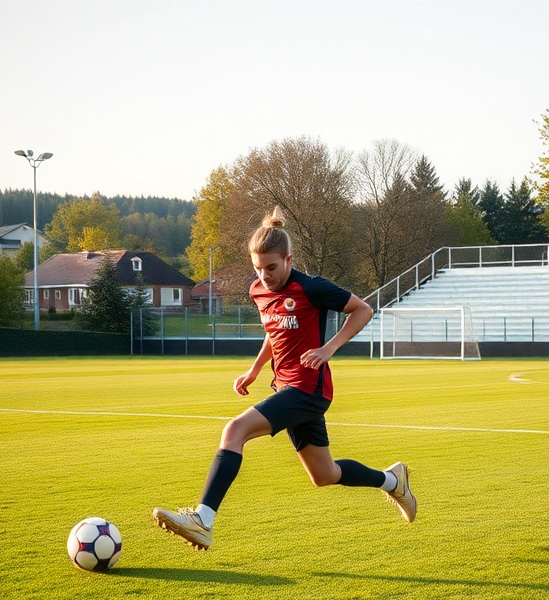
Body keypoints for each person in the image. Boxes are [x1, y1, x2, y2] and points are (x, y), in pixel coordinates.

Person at [152, 207, 416, 551]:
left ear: (288, 259)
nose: (264, 276)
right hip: (286, 386)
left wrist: (328, 348)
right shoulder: (258, 292)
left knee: (234, 430)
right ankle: (392, 480)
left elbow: (363, 309)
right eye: (258, 268)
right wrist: (256, 368)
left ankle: (203, 519)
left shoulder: (311, 287)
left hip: (308, 389)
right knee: (325, 475)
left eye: (271, 267)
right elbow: (274, 332)